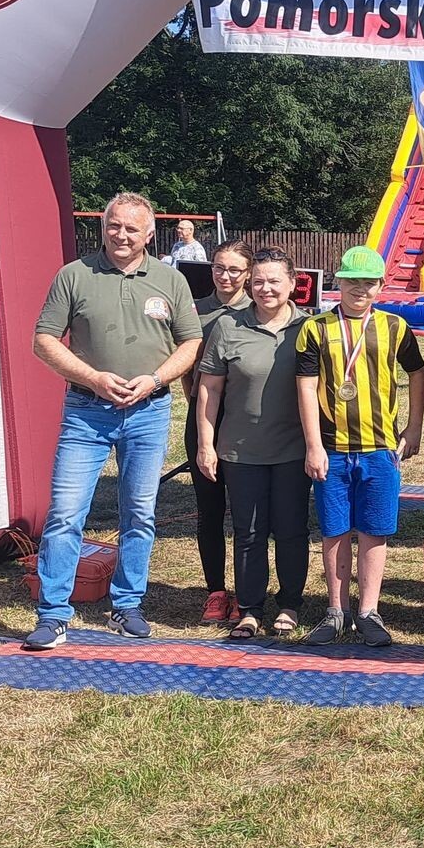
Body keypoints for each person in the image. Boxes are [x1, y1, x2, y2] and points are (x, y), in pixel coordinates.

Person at [27, 192, 203, 648]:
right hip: (87, 412)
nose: (121, 235)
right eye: (114, 226)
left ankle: (127, 605)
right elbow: (44, 340)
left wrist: (155, 379)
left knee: (139, 513)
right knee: (66, 513)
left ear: (150, 234)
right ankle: (53, 614)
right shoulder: (74, 275)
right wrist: (93, 378)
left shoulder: (170, 279)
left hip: (149, 410)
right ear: (103, 226)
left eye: (132, 228)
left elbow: (191, 343)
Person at [295, 246, 424, 645]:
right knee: (334, 531)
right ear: (339, 281)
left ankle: (369, 611)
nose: (360, 289)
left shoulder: (395, 326)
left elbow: (418, 374)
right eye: (352, 280)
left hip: (379, 448)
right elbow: (306, 387)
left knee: (374, 530)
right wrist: (313, 445)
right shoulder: (316, 328)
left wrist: (414, 428)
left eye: (368, 282)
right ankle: (336, 610)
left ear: (381, 286)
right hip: (332, 448)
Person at [195, 248, 310, 638]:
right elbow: (209, 389)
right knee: (248, 532)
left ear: (293, 283)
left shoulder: (309, 328)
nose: (265, 288)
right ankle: (250, 609)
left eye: (274, 281)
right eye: (258, 281)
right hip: (241, 450)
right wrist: (206, 444)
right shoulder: (228, 326)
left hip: (293, 449)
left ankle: (290, 604)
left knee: (292, 530)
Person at [184, 239, 251, 622]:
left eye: (234, 270)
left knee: (245, 513)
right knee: (209, 510)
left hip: (244, 422)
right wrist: (198, 407)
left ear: (248, 273)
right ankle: (215, 591)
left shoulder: (257, 310)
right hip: (204, 417)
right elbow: (187, 368)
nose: (225, 276)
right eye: (219, 268)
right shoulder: (195, 311)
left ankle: (245, 591)